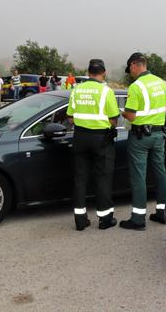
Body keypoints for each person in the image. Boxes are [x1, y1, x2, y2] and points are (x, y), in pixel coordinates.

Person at [66, 59, 120, 231]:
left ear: (88, 72)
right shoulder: (106, 91)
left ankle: (80, 221)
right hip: (101, 139)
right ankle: (105, 220)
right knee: (103, 178)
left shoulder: (76, 89)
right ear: (103, 73)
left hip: (80, 137)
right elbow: (113, 118)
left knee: (80, 178)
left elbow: (70, 117)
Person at [120, 52, 166, 230]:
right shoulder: (162, 83)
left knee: (138, 176)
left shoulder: (136, 87)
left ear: (135, 65)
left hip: (140, 137)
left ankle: (138, 219)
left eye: (130, 69)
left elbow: (131, 116)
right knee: (160, 172)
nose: (130, 73)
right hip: (158, 136)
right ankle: (163, 213)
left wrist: (122, 112)